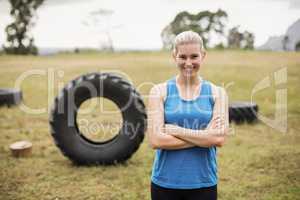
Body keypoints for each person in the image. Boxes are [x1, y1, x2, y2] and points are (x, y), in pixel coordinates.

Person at [147, 30, 229, 200]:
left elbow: (218, 140)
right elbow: (156, 140)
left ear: (203, 55)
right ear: (174, 56)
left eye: (194, 56)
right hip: (164, 183)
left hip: (203, 182)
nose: (188, 63)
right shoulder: (159, 91)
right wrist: (205, 136)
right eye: (183, 57)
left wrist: (174, 130)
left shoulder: (217, 93)